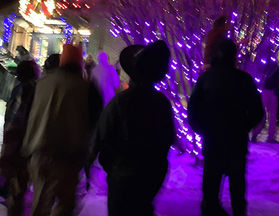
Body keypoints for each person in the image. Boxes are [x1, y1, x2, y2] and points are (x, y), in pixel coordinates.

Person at [90, 40, 174, 216]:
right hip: (150, 176)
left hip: (122, 175)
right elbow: (167, 138)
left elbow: (101, 137)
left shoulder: (121, 102)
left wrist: (106, 165)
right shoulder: (160, 102)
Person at [22, 43, 102, 216]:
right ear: (80, 63)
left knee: (40, 203)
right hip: (67, 155)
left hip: (38, 151)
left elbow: (28, 114)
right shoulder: (87, 88)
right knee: (65, 204)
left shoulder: (42, 83)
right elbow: (96, 121)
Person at [188, 39, 264, 216]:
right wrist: (244, 127)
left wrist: (203, 130)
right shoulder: (244, 79)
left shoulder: (206, 77)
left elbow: (193, 109)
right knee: (237, 193)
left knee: (210, 193)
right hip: (236, 143)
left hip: (212, 142)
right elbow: (257, 111)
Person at [0, 60, 40, 216]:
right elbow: (17, 121)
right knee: (17, 184)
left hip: (15, 142)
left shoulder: (20, 88)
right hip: (20, 144)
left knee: (15, 183)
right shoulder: (28, 90)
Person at [251, 57, 279, 143]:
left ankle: (255, 134)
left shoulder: (266, 65)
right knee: (272, 116)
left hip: (265, 91)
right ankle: (270, 137)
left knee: (264, 115)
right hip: (272, 92)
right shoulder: (275, 66)